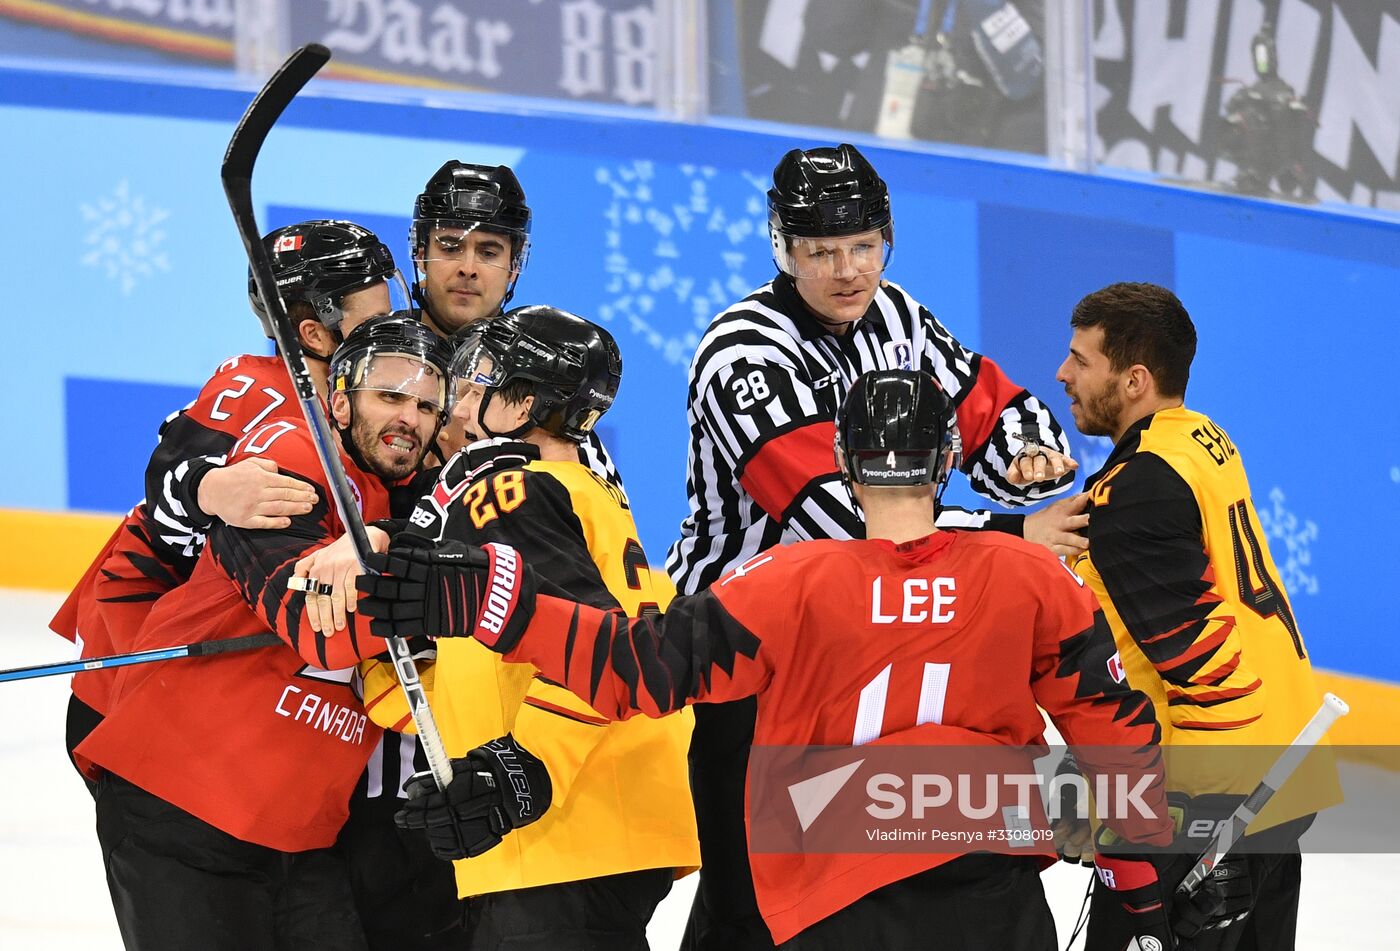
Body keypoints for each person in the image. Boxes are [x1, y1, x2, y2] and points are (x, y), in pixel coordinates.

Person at [354, 368, 1264, 950]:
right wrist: (1143, 885)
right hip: (987, 896)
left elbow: (641, 670)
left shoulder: (785, 580)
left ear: (844, 459)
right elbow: (1118, 735)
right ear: (947, 458)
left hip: (832, 901)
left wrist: (488, 599)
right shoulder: (1032, 576)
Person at [664, 141, 1085, 949]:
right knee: (746, 891)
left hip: (855, 639)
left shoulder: (897, 314)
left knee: (855, 888)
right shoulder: (743, 352)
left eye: (864, 246)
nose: (848, 270)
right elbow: (839, 514)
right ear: (783, 249)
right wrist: (1011, 533)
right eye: (822, 252)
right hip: (747, 648)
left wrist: (1030, 455)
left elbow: (989, 406)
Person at [303, 306, 698, 950]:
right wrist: (375, 665)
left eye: (479, 381)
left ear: (521, 408)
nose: (456, 408)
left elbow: (597, 657)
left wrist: (517, 771)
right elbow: (492, 679)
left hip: (564, 833)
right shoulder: (569, 493)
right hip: (588, 831)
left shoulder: (510, 489)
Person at [74, 315, 454, 951]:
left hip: (300, 832)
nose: (409, 418)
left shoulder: (398, 500)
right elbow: (317, 627)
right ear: (339, 400)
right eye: (390, 396)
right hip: (182, 804)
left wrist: (390, 546)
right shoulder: (291, 454)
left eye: (425, 405)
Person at [50, 219, 408, 788]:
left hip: (216, 704)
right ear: (315, 335)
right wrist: (206, 487)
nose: (397, 331)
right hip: (138, 683)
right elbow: (166, 491)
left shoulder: (373, 411)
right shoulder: (255, 387)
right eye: (378, 320)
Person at [1053, 282, 1343, 951]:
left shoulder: (1137, 494)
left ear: (1133, 379)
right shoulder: (1201, 439)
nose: (1063, 374)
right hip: (1275, 786)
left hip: (1203, 817)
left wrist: (1218, 840)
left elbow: (1208, 675)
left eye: (1080, 359)